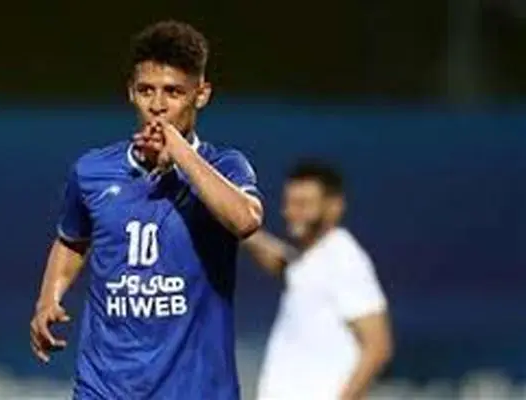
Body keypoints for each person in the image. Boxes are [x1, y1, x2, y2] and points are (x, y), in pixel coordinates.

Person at [29, 20, 263, 400]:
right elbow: (72, 239)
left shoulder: (225, 166)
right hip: (104, 387)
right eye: (146, 91)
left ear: (201, 94)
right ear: (130, 92)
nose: (157, 106)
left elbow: (245, 220)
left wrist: (180, 154)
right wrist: (48, 299)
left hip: (195, 389)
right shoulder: (92, 171)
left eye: (173, 92)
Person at [244, 160, 392, 400]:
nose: (292, 213)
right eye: (289, 203)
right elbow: (283, 263)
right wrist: (238, 226)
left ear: (334, 206)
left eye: (303, 204)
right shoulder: (310, 259)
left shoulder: (344, 259)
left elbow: (377, 347)